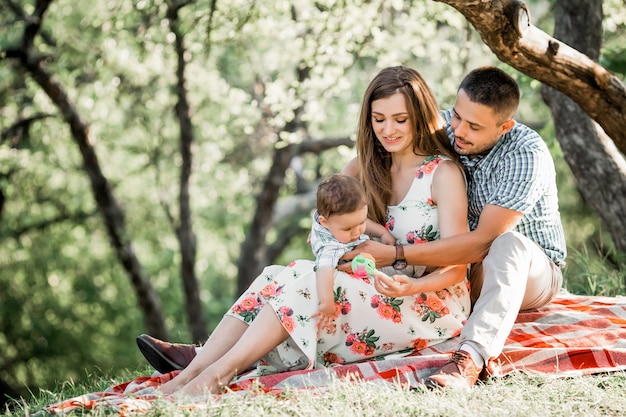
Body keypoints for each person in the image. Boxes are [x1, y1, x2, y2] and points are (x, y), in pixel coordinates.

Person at [146, 66, 471, 397]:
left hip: (428, 304)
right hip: (373, 286)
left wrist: (412, 285)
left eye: (400, 119)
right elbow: (323, 225)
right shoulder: (365, 165)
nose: (388, 129)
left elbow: (458, 266)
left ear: (419, 116)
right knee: (274, 274)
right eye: (379, 119)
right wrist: (343, 253)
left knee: (304, 281)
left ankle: (217, 377)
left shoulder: (442, 174)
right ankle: (193, 372)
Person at [341, 66, 567, 389]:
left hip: (528, 271)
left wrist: (394, 253)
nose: (457, 130)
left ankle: (469, 359)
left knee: (507, 245)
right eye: (458, 116)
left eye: (474, 126)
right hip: (459, 269)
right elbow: (375, 154)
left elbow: (481, 243)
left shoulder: (525, 155)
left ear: (505, 127)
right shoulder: (447, 125)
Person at [309, 173, 390, 333]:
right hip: (348, 273)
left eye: (360, 223)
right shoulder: (330, 247)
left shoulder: (337, 217)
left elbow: (362, 222)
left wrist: (382, 233)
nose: (356, 232)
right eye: (348, 229)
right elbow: (324, 271)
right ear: (325, 223)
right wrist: (327, 303)